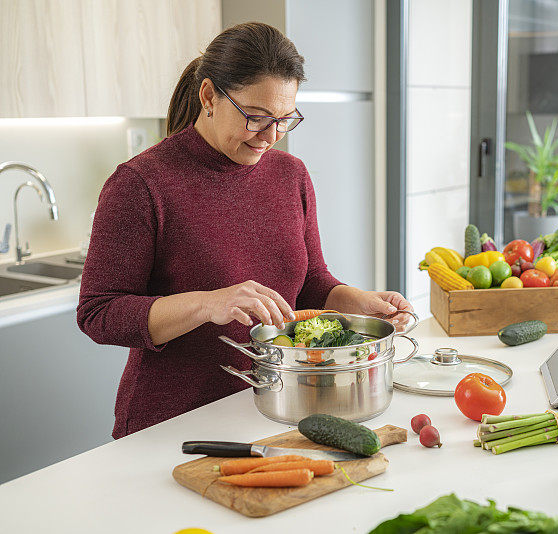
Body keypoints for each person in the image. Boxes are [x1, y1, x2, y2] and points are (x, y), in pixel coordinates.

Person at [77, 22, 414, 439]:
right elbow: (98, 313)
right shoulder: (140, 184)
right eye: (256, 118)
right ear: (209, 97)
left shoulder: (291, 175)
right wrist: (207, 304)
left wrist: (357, 302)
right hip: (171, 424)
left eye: (285, 119)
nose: (271, 136)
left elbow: (309, 282)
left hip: (279, 407)